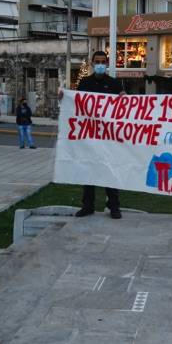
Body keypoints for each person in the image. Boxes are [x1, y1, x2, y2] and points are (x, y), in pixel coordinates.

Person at [71, 50, 125, 219]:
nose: (100, 64)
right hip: (90, 136)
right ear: (93, 64)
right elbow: (76, 102)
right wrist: (64, 97)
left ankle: (114, 206)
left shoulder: (114, 84)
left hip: (108, 137)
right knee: (89, 170)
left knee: (110, 171)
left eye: (103, 62)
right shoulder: (84, 83)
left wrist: (125, 98)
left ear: (106, 64)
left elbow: (123, 107)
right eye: (97, 62)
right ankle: (88, 206)